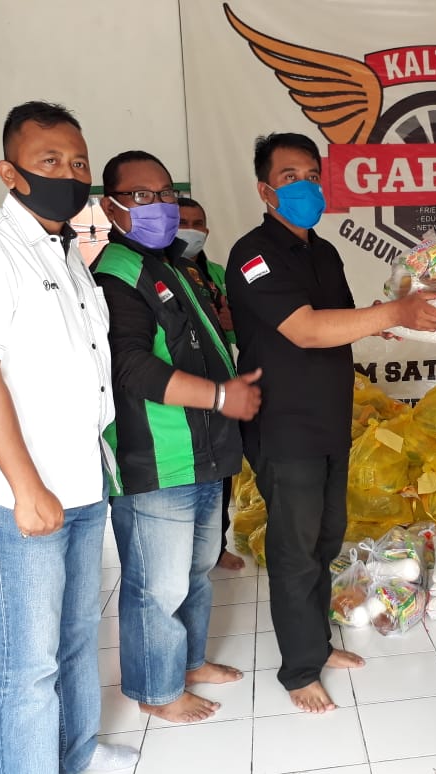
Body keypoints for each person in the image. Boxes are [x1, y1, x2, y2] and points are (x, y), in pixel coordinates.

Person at [0, 101, 137, 774]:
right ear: (9, 172)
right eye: (50, 160)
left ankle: (73, 756)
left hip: (79, 480)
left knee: (74, 640)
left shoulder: (66, 251)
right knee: (27, 661)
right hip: (21, 494)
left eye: (78, 162)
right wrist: (26, 487)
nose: (68, 174)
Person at [225, 132, 436, 713]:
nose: (304, 186)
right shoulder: (253, 254)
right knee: (295, 550)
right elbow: (305, 328)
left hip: (327, 419)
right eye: (289, 177)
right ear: (265, 190)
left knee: (324, 539)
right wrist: (392, 311)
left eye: (311, 176)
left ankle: (317, 644)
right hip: (284, 425)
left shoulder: (323, 251)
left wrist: (383, 319)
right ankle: (299, 670)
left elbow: (340, 319)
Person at [92, 150, 260, 724]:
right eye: (141, 195)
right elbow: (130, 366)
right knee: (156, 587)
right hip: (158, 457)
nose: (159, 205)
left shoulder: (171, 266)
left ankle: (187, 663)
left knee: (194, 571)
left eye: (165, 193)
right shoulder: (117, 273)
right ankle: (156, 691)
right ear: (110, 207)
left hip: (204, 452)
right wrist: (219, 397)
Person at [177, 196, 244, 571]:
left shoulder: (216, 273)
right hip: (179, 386)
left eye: (197, 223)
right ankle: (182, 550)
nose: (191, 229)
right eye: (182, 222)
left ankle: (216, 546)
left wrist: (231, 323)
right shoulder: (158, 271)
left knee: (221, 468)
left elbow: (234, 331)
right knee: (185, 473)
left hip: (221, 385)